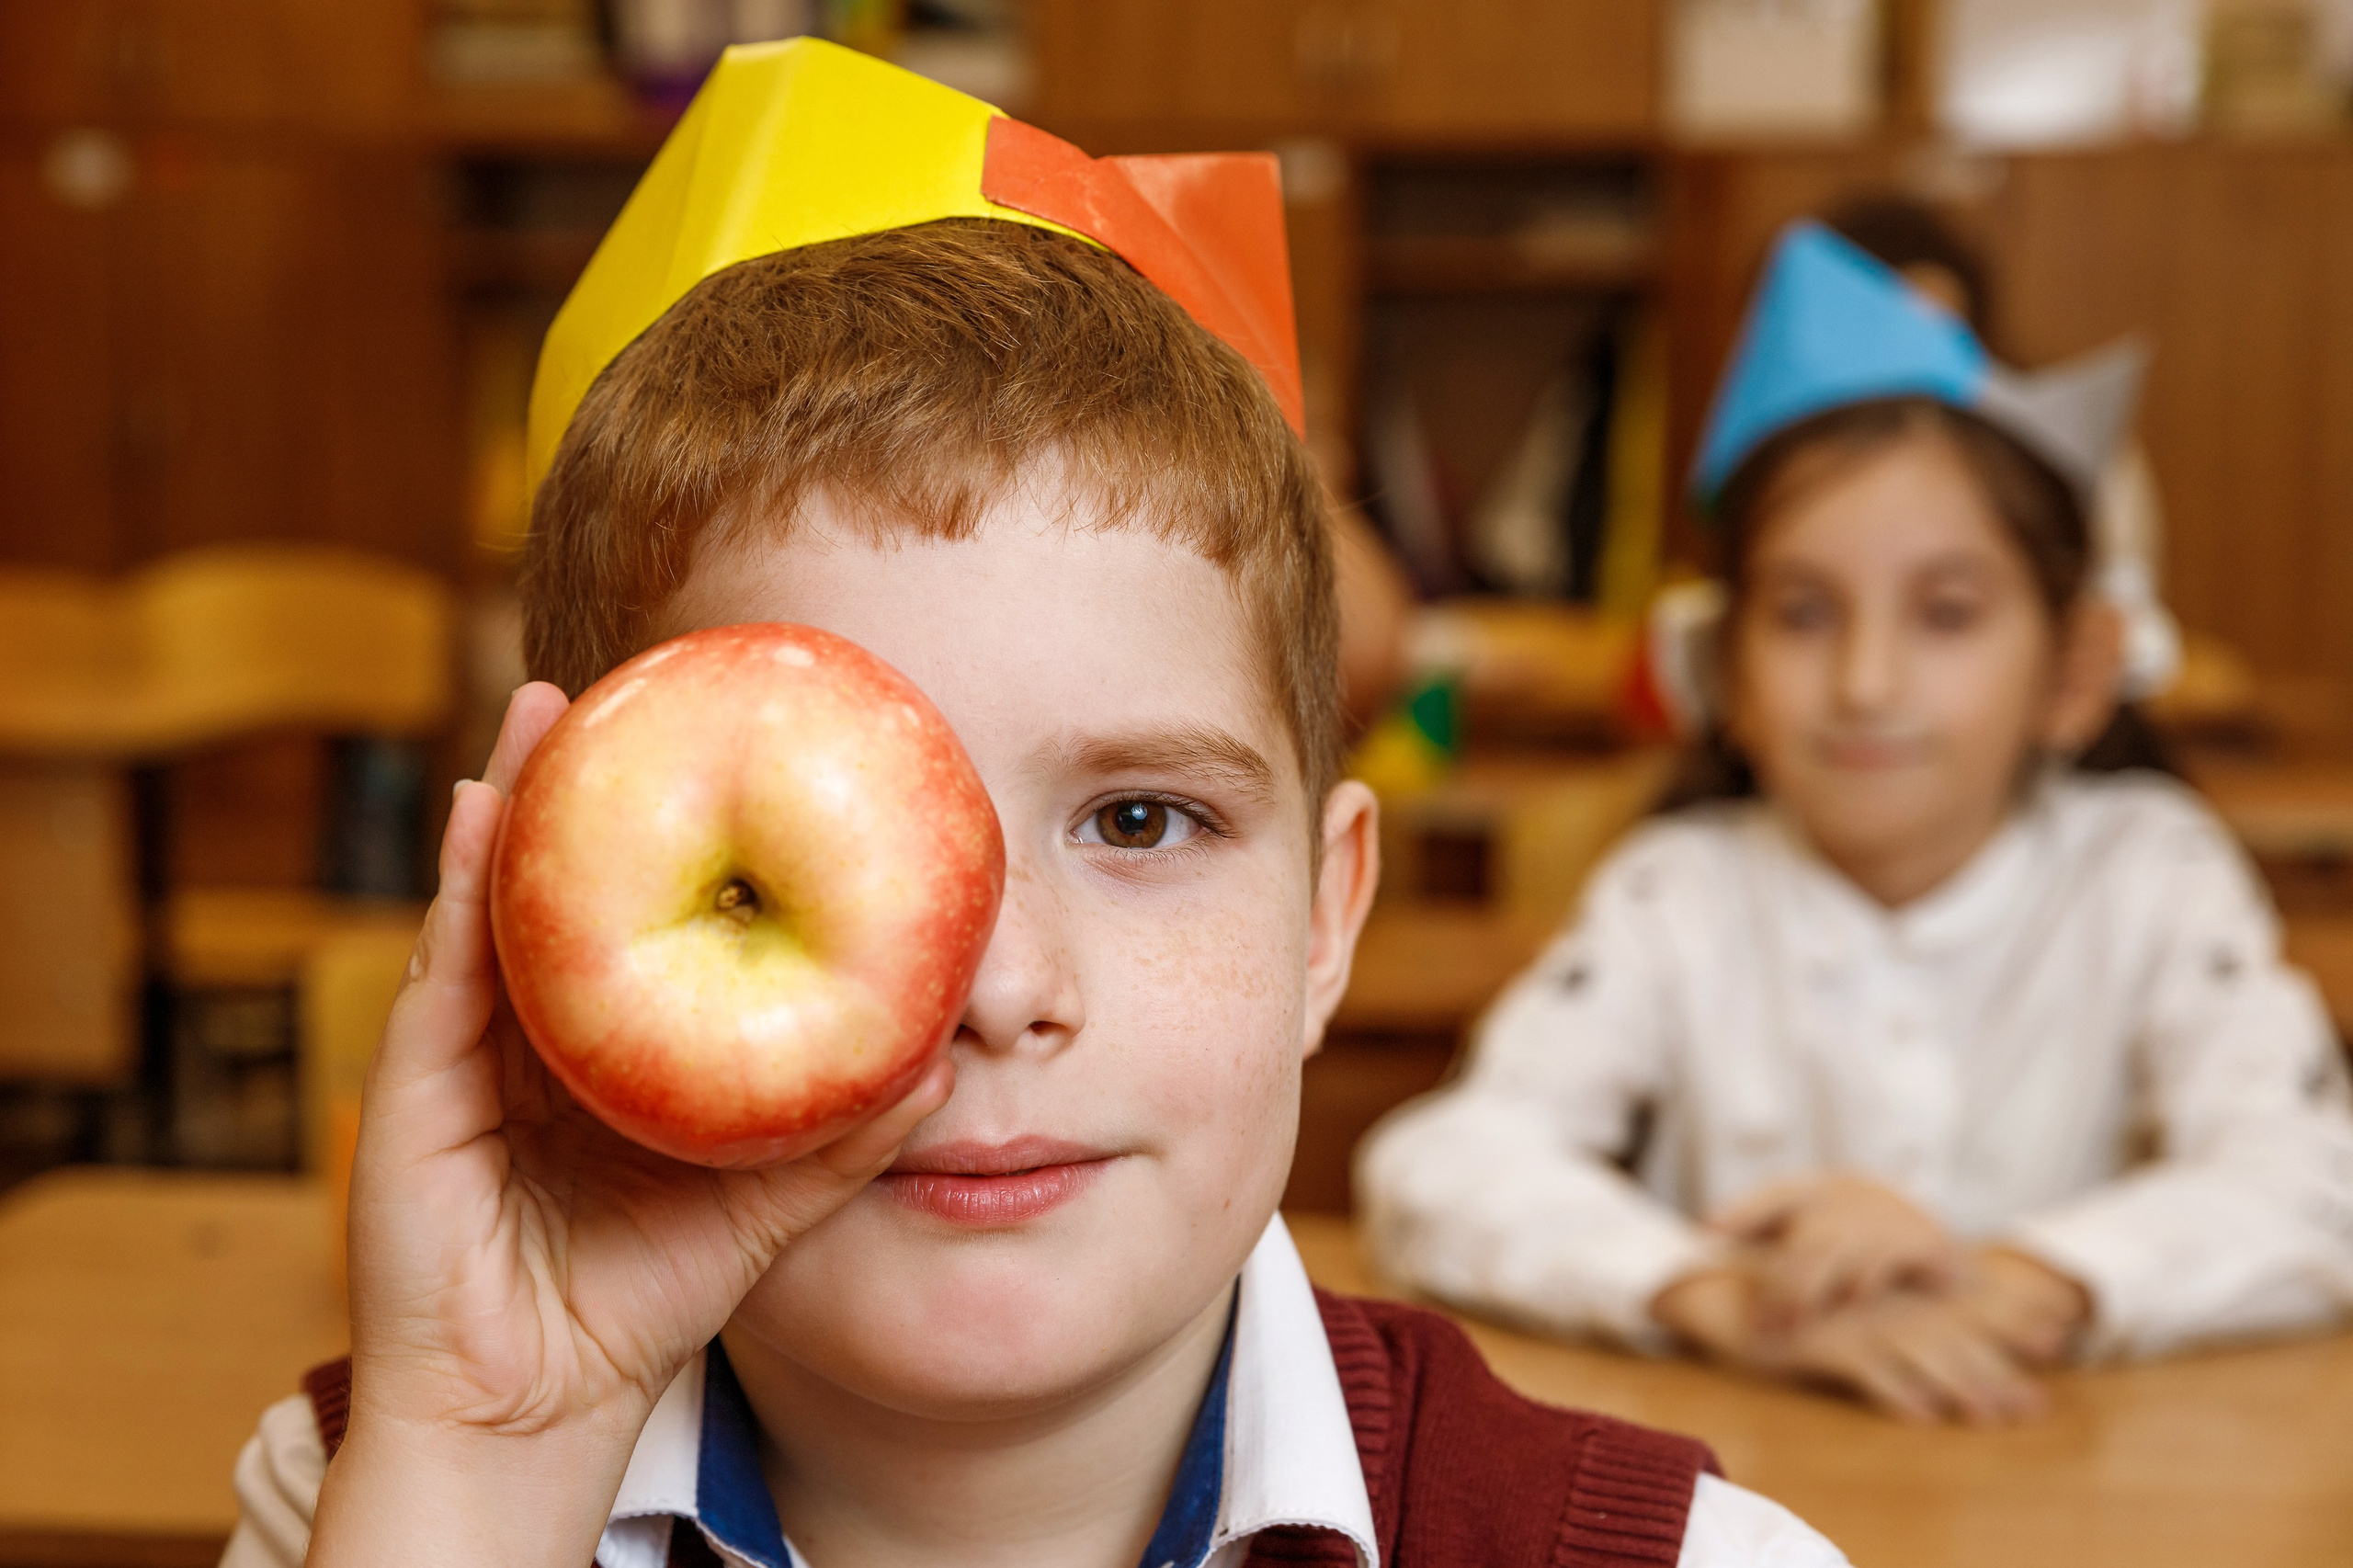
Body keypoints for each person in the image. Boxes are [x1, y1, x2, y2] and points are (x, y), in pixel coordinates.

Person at [218, 40, 1845, 1568]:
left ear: (1328, 914)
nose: (999, 990)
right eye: (770, 870)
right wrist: (488, 1464)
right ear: (547, 911)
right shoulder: (380, 1495)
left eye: (1140, 822)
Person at [1358, 222, 2353, 1426]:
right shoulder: (1678, 890)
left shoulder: (2153, 872)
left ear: (2077, 669)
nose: (1868, 680)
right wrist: (1715, 1291)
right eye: (1804, 610)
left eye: (1946, 611)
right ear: (1724, 667)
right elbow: (1442, 1163)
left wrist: (2013, 1277)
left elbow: (2317, 1179)